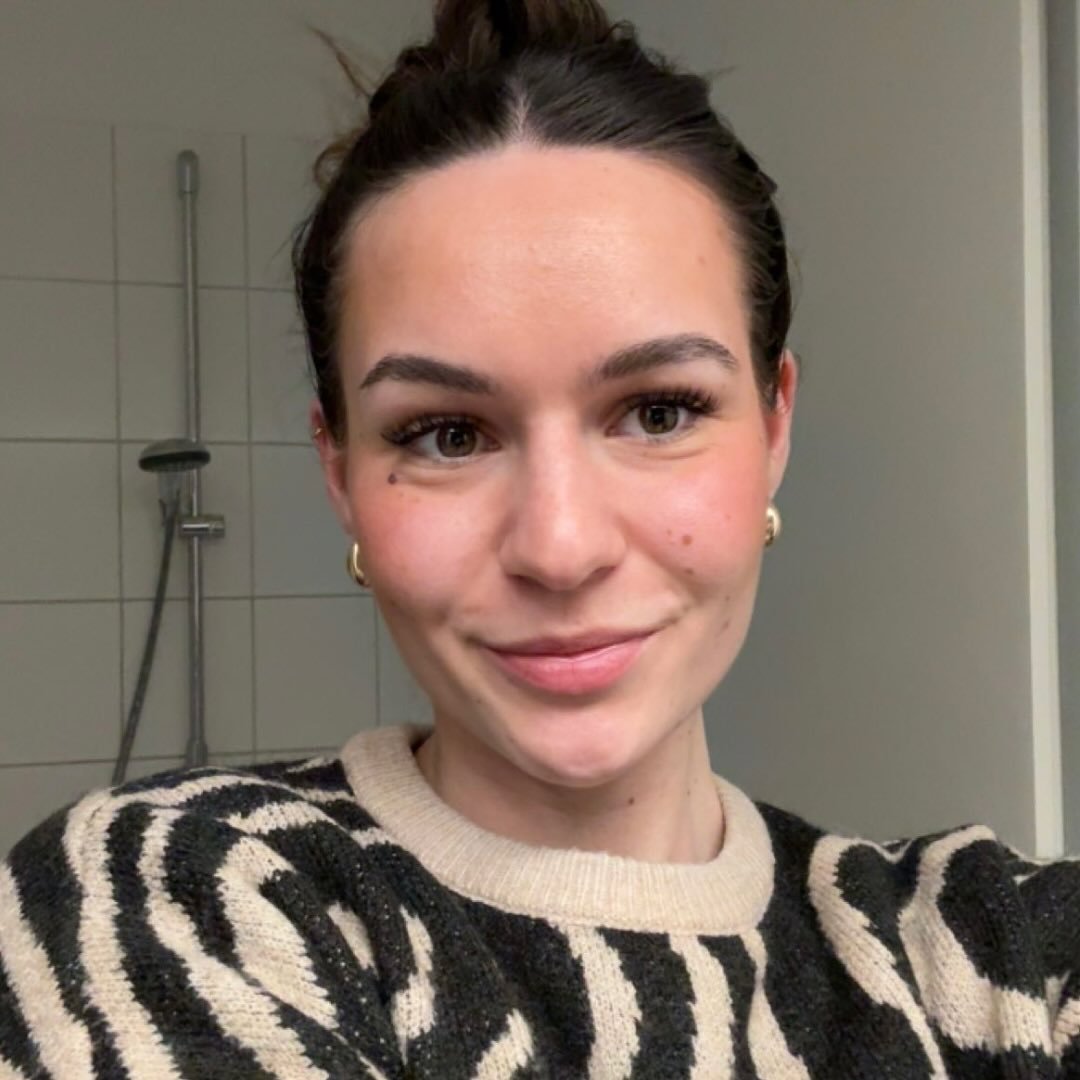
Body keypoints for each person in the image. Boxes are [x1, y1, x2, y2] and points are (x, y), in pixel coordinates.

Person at [1, 1, 1078, 1076]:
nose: (560, 550)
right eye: (448, 434)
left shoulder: (987, 948)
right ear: (339, 473)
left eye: (658, 411)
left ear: (774, 426)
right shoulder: (172, 897)